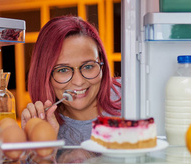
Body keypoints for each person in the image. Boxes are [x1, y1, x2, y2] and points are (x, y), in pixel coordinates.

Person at [21, 16, 122, 146]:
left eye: (88, 66)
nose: (79, 82)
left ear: (101, 63)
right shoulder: (43, 126)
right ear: (44, 75)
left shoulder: (133, 92)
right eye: (63, 70)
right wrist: (43, 146)